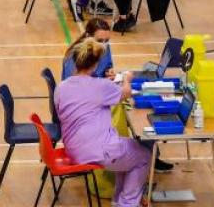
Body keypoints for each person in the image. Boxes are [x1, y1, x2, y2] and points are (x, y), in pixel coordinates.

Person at [55, 39, 150, 207]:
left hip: (73, 149)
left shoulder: (61, 87)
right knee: (144, 156)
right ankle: (127, 204)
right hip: (99, 151)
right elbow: (126, 93)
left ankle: (119, 201)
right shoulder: (100, 86)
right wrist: (127, 78)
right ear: (96, 64)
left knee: (127, 151)